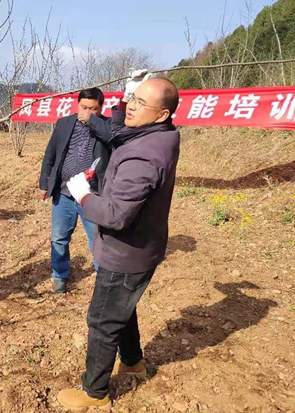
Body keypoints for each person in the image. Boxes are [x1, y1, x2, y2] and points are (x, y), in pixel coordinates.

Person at [56, 76, 181, 411]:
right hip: (143, 246)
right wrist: (130, 95)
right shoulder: (162, 135)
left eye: (140, 103)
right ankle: (133, 361)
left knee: (102, 319)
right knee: (122, 308)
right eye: (132, 98)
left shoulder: (143, 155)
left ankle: (93, 393)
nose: (131, 107)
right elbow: (119, 128)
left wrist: (83, 195)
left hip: (125, 251)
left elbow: (115, 215)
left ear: (161, 115)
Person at [38, 88, 111, 294]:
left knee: (97, 238)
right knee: (59, 237)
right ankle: (59, 276)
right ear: (77, 104)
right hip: (64, 193)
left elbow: (112, 137)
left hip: (92, 196)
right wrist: (44, 183)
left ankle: (102, 277)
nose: (87, 111)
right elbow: (50, 154)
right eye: (84, 107)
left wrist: (93, 121)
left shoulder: (107, 125)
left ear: (100, 108)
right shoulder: (64, 123)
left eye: (93, 108)